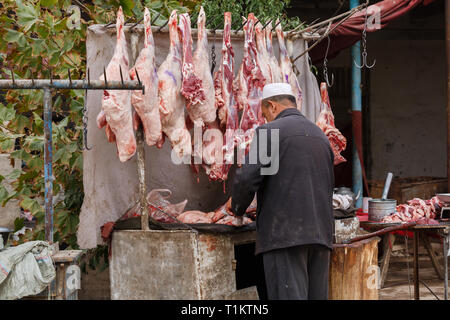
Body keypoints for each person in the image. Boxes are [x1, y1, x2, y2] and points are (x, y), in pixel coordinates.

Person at [230, 83, 335, 300]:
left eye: (264, 113)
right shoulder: (320, 136)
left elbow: (248, 178)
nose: (265, 118)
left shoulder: (270, 132)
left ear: (272, 106)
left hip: (285, 237)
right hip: (321, 236)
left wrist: (237, 208)